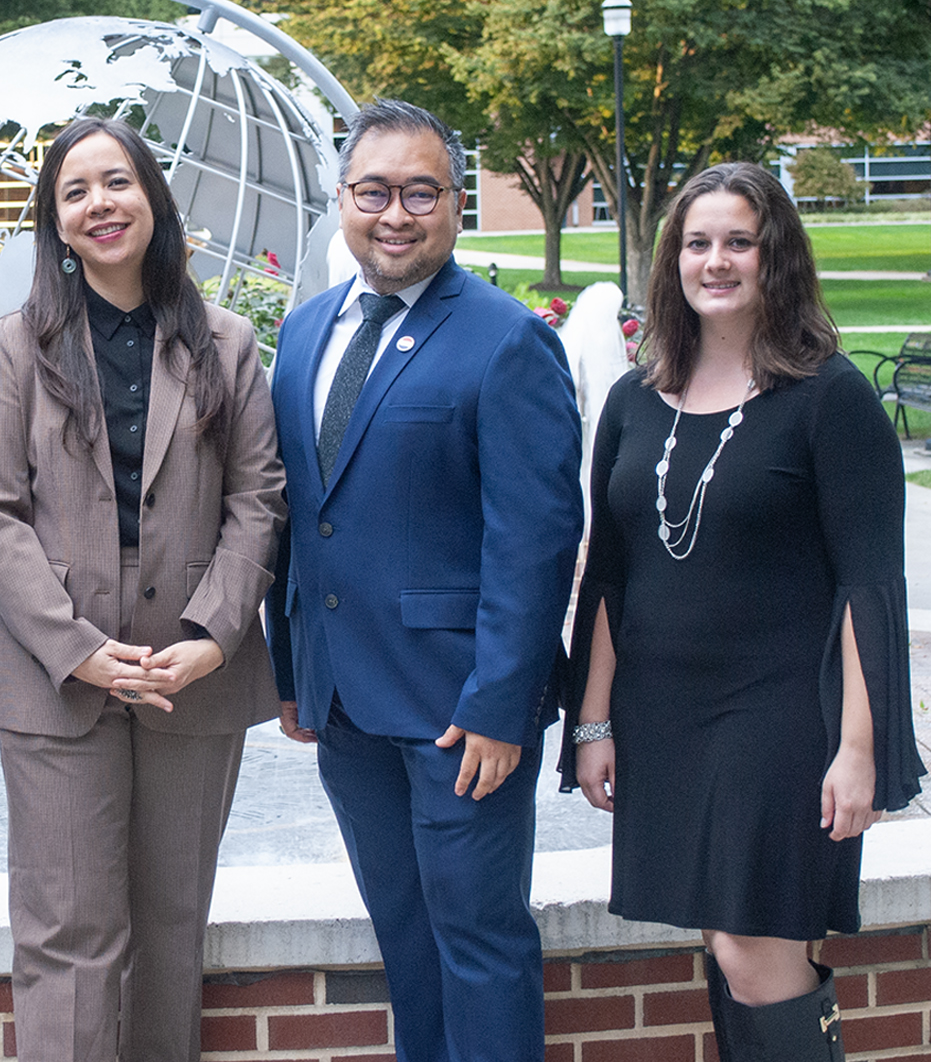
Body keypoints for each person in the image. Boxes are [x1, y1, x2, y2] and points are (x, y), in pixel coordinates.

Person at [563, 162, 924, 1061]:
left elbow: (867, 587)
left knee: (749, 944)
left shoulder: (828, 399)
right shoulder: (633, 399)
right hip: (665, 718)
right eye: (696, 243)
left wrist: (858, 746)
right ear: (671, 261)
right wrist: (592, 721)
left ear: (776, 259)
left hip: (780, 720)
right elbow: (608, 572)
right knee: (727, 947)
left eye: (738, 242)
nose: (714, 261)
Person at [0, 115, 287, 1061]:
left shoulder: (224, 343)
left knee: (172, 926)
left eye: (116, 182)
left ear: (151, 196)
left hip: (192, 675)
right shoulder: (15, 348)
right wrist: (80, 650)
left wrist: (216, 635)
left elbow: (256, 496)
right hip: (53, 681)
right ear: (55, 224)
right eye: (75, 191)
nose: (99, 204)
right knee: (68, 936)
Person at [266, 99, 583, 1062]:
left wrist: (500, 704)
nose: (394, 214)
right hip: (344, 706)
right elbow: (301, 517)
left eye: (420, 192)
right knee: (404, 940)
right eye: (373, 191)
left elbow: (533, 540)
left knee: (478, 943)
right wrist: (293, 673)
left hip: (459, 713)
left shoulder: (504, 338)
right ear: (341, 199)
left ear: (453, 205)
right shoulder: (306, 331)